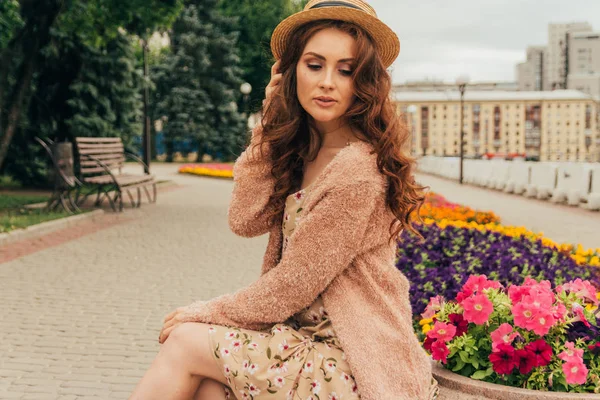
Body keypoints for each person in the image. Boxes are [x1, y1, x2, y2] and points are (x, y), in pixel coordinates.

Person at [129, 1, 439, 399]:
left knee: (187, 343)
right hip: (304, 345)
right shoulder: (303, 152)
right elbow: (245, 219)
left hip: (356, 362)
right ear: (290, 72)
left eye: (345, 71)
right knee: (210, 384)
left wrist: (202, 312)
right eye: (314, 65)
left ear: (364, 83)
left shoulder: (357, 171)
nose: (327, 81)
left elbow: (291, 286)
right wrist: (269, 118)